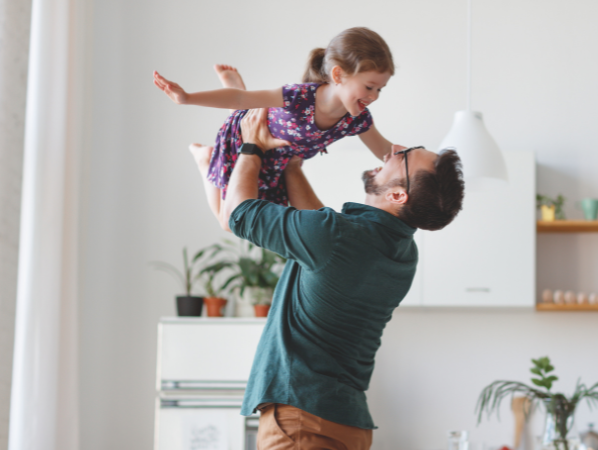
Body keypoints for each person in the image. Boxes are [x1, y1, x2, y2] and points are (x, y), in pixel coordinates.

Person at [213, 107, 464, 449]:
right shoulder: (402, 253)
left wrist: (251, 147)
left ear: (396, 195)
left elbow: (236, 214)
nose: (393, 149)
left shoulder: (336, 237)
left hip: (302, 420)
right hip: (345, 423)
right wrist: (290, 164)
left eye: (403, 156)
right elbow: (319, 227)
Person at [153, 27, 397, 229]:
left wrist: (431, 162)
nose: (374, 96)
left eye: (380, 89)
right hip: (244, 143)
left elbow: (386, 150)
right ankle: (205, 159)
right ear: (338, 74)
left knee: (256, 220)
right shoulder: (299, 97)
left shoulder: (357, 119)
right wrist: (186, 97)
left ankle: (240, 100)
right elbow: (238, 99)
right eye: (369, 87)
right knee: (229, 223)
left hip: (277, 163)